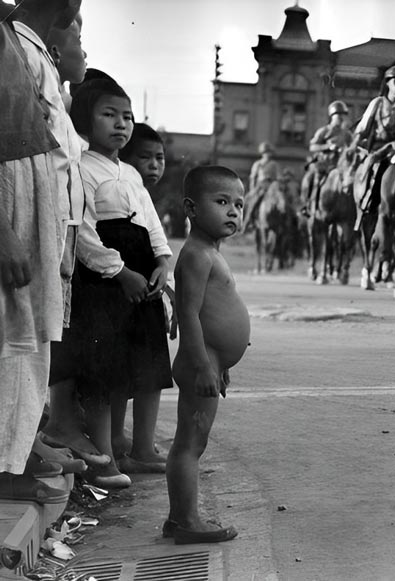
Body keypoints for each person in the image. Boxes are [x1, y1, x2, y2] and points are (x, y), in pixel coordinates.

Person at [51, 79, 173, 489]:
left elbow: (151, 222)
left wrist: (162, 261)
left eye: (127, 117)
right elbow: (82, 233)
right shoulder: (81, 168)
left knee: (147, 361)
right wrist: (119, 272)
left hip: (143, 278)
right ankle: (103, 454)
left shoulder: (132, 174)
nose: (121, 125)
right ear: (85, 120)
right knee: (105, 370)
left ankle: (142, 448)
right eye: (109, 115)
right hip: (105, 282)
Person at [16, 5, 118, 472]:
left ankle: (24, 442)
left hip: (57, 226)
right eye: (80, 40)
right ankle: (15, 452)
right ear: (57, 45)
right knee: (26, 338)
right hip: (32, 219)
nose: (85, 49)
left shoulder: (56, 83)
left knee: (41, 337)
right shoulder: (24, 53)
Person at [0, 0, 76, 505]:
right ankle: (6, 462)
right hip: (11, 196)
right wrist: (4, 234)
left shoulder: (9, 32)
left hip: (33, 189)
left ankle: (16, 449)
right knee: (14, 337)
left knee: (29, 337)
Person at [164, 165, 249, 545]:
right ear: (191, 208)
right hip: (199, 361)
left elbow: (213, 315)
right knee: (190, 443)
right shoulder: (197, 255)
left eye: (239, 204)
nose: (233, 211)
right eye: (222, 202)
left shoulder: (211, 251)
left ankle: (180, 518)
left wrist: (220, 362)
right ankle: (185, 521)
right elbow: (188, 314)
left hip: (209, 359)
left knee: (194, 441)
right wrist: (202, 363)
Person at [111, 122, 172, 472]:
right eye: (145, 157)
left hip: (149, 288)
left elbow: (160, 244)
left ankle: (144, 446)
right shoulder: (120, 186)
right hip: (121, 286)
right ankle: (118, 439)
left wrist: (167, 279)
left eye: (160, 158)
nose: (154, 165)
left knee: (152, 370)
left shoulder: (144, 194)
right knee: (118, 371)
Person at [351, 64, 395, 230]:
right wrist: (355, 144)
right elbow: (363, 128)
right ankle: (367, 202)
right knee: (377, 168)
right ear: (388, 83)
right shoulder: (377, 103)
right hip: (379, 149)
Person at [301, 100, 352, 217]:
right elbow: (312, 146)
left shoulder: (347, 134)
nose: (341, 118)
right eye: (338, 115)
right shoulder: (324, 131)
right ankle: (309, 204)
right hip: (324, 164)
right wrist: (329, 146)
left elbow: (352, 147)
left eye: (343, 115)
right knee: (311, 178)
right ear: (332, 116)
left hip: (340, 165)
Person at [241, 141, 279, 233]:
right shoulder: (257, 164)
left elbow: (278, 176)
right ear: (262, 153)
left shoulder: (274, 164)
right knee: (253, 202)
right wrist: (252, 189)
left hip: (272, 186)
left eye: (269, 152)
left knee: (282, 200)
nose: (267, 154)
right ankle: (247, 222)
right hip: (260, 185)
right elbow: (253, 177)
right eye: (265, 152)